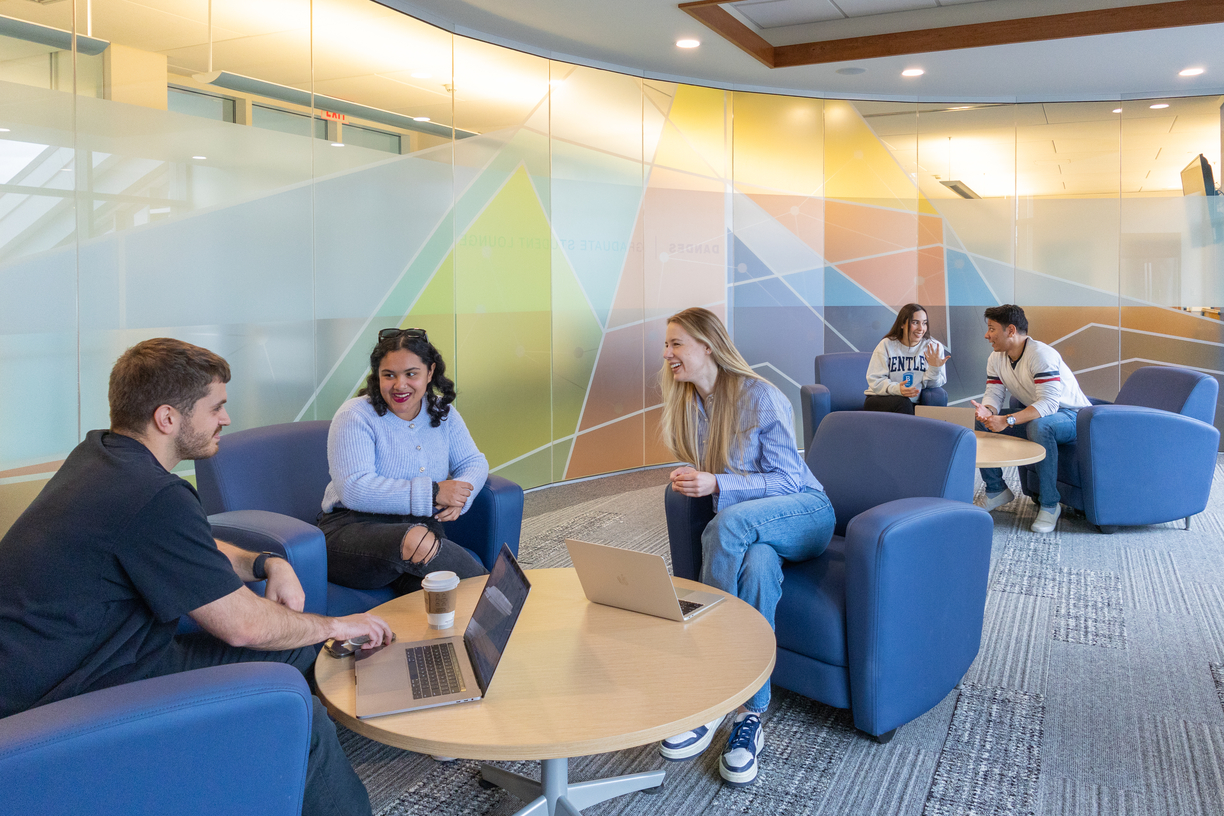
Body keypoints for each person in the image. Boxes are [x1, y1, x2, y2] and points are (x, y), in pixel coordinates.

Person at [0, 338, 393, 816]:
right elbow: (243, 626)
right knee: (300, 713)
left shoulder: (103, 458)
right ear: (167, 418)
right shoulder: (151, 494)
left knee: (297, 651)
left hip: (99, 656)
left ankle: (268, 779)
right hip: (70, 697)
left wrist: (269, 562)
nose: (225, 419)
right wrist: (336, 625)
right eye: (216, 407)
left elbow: (194, 550)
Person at [656, 307, 835, 787]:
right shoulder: (690, 404)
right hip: (759, 533)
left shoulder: (760, 396)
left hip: (805, 513)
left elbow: (787, 480)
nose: (667, 353)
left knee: (729, 525)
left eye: (676, 344)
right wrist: (698, 479)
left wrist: (716, 482)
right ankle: (749, 713)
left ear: (707, 346)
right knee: (756, 567)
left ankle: (712, 675)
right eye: (666, 345)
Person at [318, 327, 489, 597]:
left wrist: (459, 494)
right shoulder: (355, 415)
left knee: (444, 599)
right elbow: (354, 489)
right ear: (378, 375)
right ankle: (500, 601)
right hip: (352, 531)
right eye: (389, 375)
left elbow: (474, 462)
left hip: (421, 531)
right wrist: (434, 492)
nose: (400, 385)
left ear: (430, 372)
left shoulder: (442, 412)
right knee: (417, 541)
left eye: (411, 374)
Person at [970, 304, 1091, 533]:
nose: (987, 335)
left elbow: (1049, 404)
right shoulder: (996, 357)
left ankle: (1049, 504)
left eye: (992, 329)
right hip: (1042, 415)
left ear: (1011, 330)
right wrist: (989, 412)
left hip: (1074, 418)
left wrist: (1007, 420)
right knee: (980, 422)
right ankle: (997, 490)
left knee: (1040, 427)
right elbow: (995, 393)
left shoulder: (1041, 354)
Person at [863, 302, 950, 414]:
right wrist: (897, 389)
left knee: (931, 398)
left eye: (924, 323)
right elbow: (875, 381)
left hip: (914, 401)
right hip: (882, 398)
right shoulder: (886, 345)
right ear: (902, 324)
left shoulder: (933, 347)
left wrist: (934, 368)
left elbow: (933, 386)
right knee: (903, 402)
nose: (921, 328)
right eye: (915, 322)